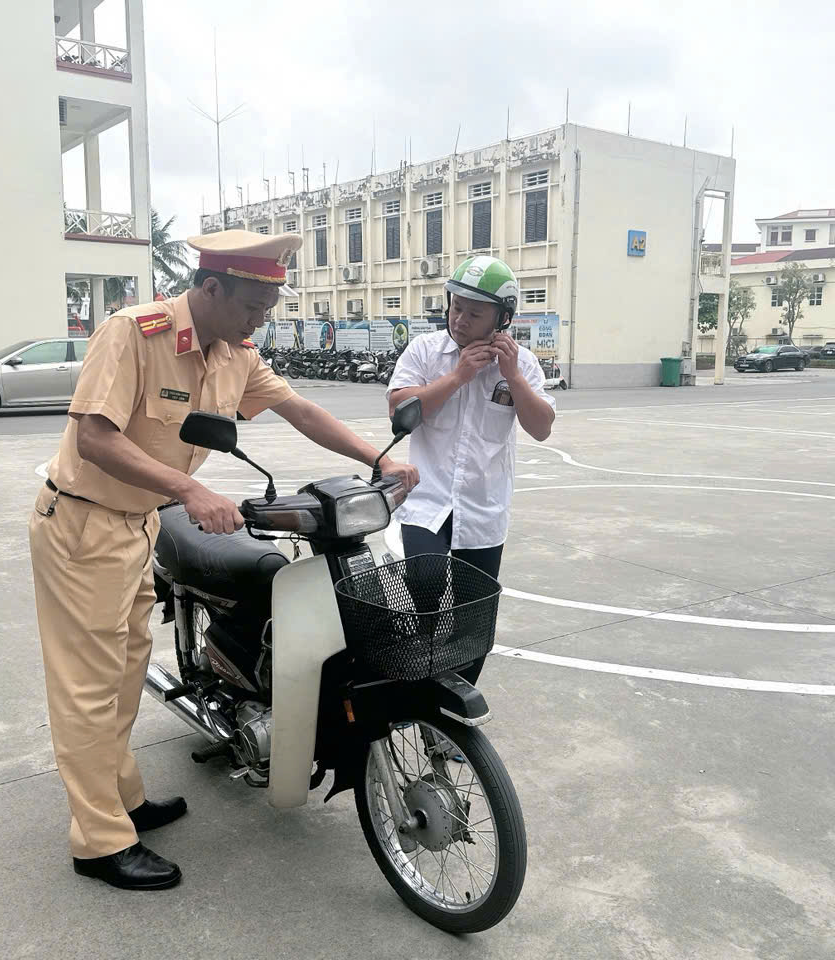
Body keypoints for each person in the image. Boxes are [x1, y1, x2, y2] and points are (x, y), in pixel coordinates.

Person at [29, 229, 418, 891]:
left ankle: (121, 800)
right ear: (210, 288)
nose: (260, 320)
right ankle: (98, 841)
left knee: (123, 675)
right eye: (251, 306)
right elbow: (93, 437)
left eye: (269, 307)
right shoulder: (133, 334)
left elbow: (299, 409)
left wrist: (377, 459)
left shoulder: (234, 352)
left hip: (138, 524)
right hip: (82, 523)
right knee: (87, 689)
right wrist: (188, 488)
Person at [386, 255, 555, 680]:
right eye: (455, 306)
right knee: (424, 581)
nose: (459, 319)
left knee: (474, 619)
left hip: (483, 507)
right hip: (428, 500)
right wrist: (458, 376)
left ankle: (452, 706)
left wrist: (513, 377)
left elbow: (542, 428)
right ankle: (418, 677)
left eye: (474, 312)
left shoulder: (524, 365)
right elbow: (399, 408)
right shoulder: (425, 351)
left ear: (502, 319)